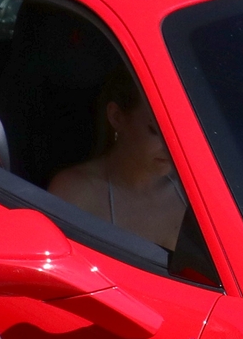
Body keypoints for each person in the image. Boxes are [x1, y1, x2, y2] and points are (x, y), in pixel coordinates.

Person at [49, 66, 184, 251]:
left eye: (178, 130)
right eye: (155, 131)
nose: (171, 145)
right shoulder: (75, 193)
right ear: (117, 117)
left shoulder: (192, 190)